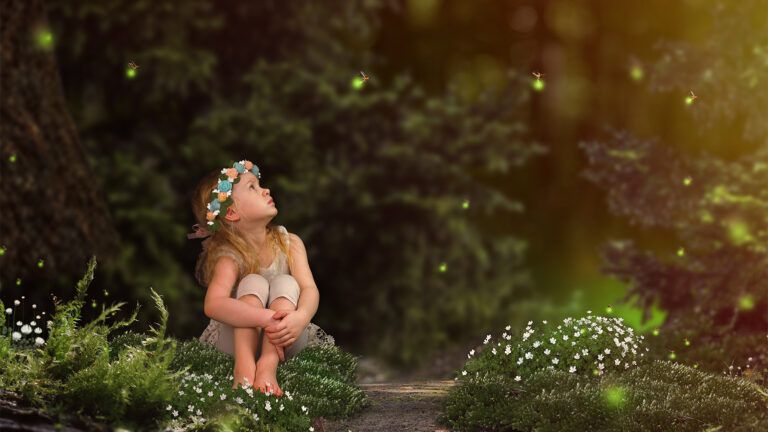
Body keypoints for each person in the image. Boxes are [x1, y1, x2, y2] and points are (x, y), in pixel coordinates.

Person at [188, 159, 334, 396]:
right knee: (252, 281)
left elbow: (309, 289)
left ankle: (267, 366)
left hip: (285, 338)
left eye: (260, 185)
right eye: (252, 187)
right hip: (236, 344)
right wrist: (266, 317)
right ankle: (244, 368)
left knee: (286, 282)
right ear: (232, 213)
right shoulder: (230, 255)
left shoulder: (290, 243)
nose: (265, 190)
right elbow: (213, 304)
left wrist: (300, 317)